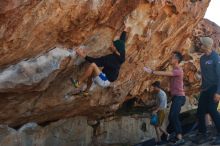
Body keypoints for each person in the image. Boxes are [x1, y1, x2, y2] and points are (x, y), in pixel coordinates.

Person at [144, 51, 186, 146]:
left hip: (180, 97)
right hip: (176, 97)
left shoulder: (178, 70)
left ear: (177, 60)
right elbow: (169, 79)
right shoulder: (175, 70)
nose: (170, 58)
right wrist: (169, 87)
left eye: (172, 57)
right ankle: (170, 135)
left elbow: (166, 73)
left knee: (173, 116)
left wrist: (152, 71)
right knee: (172, 117)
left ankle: (179, 137)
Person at [70, 31, 127, 95]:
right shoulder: (122, 56)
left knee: (93, 65)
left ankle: (78, 83)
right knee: (91, 73)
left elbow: (96, 61)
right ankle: (86, 91)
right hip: (106, 79)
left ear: (116, 49)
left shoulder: (111, 58)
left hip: (104, 80)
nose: (111, 46)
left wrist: (83, 55)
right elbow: (122, 42)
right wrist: (124, 32)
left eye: (113, 46)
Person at [192, 37, 220, 145]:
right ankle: (202, 132)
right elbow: (203, 75)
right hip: (205, 88)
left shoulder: (216, 57)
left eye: (201, 44)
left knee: (212, 109)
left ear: (207, 46)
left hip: (215, 87)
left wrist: (218, 92)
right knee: (200, 111)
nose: (200, 45)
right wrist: (202, 87)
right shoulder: (202, 58)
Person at [151, 81, 169, 145]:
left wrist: (156, 110)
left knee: (156, 127)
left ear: (156, 87)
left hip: (161, 111)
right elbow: (159, 104)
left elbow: (162, 105)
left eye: (154, 87)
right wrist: (154, 108)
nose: (153, 88)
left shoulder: (161, 94)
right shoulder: (158, 93)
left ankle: (159, 141)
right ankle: (166, 134)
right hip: (159, 111)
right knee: (158, 126)